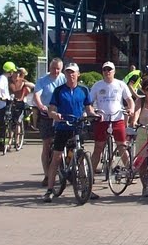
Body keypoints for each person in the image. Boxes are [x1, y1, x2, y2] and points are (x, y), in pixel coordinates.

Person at [43, 62, 99, 203]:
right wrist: (55, 115)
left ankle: (86, 188)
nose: (71, 75)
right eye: (68, 72)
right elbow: (51, 109)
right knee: (56, 157)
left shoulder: (84, 90)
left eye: (73, 72)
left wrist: (95, 115)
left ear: (78, 74)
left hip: (77, 126)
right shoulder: (59, 90)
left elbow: (88, 108)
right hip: (63, 127)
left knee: (80, 157)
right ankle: (50, 189)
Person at [89, 61, 135, 199]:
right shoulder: (97, 85)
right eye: (105, 70)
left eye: (110, 70)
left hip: (117, 119)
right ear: (102, 71)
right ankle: (89, 174)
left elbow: (130, 100)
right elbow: (89, 103)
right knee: (98, 147)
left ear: (114, 71)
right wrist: (93, 113)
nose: (107, 72)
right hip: (102, 120)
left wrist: (131, 109)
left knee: (122, 146)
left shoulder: (120, 84)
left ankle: (129, 171)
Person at [32, 58, 65, 186]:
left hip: (61, 114)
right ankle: (47, 175)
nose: (55, 71)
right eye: (53, 68)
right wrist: (40, 105)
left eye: (58, 69)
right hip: (46, 115)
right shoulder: (43, 80)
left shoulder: (64, 79)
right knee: (47, 144)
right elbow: (37, 95)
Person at [0, 61, 16, 153]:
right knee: (3, 125)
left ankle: (4, 143)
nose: (13, 73)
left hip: (5, 102)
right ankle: (2, 144)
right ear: (10, 71)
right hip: (2, 103)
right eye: (12, 71)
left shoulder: (4, 78)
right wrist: (0, 96)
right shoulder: (2, 78)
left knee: (5, 124)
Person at [9, 67, 34, 150]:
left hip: (21, 102)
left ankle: (16, 141)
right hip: (12, 102)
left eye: (19, 74)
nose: (17, 76)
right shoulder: (9, 82)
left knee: (18, 121)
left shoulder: (23, 82)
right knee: (11, 122)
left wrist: (25, 85)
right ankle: (9, 142)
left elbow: (32, 86)